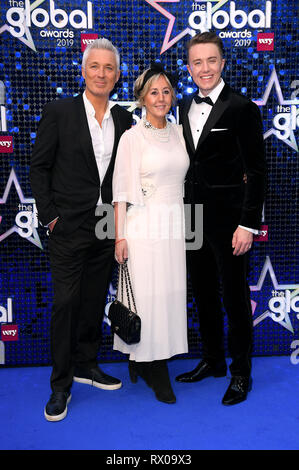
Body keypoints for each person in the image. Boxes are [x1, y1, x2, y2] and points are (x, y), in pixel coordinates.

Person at [30, 38, 133, 421]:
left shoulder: (124, 118)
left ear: (117, 75)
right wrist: (50, 217)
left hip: (106, 228)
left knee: (92, 302)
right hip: (67, 228)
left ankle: (87, 364)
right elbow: (39, 167)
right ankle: (60, 385)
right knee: (65, 304)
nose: (102, 74)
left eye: (109, 68)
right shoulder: (59, 111)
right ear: (83, 70)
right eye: (95, 67)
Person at [175, 32, 266, 405]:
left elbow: (257, 171)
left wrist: (248, 224)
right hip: (191, 217)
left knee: (234, 297)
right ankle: (213, 360)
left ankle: (241, 372)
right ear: (189, 66)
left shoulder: (243, 108)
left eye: (211, 60)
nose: (204, 68)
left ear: (223, 62)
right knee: (204, 294)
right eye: (197, 62)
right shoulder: (182, 106)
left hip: (231, 222)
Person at [112, 63, 189, 404]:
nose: (160, 97)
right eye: (153, 92)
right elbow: (120, 193)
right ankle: (153, 367)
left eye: (166, 91)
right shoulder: (132, 137)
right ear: (141, 98)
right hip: (143, 227)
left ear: (173, 96)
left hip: (174, 225)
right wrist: (119, 237)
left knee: (168, 295)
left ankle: (142, 360)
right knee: (147, 296)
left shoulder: (178, 131)